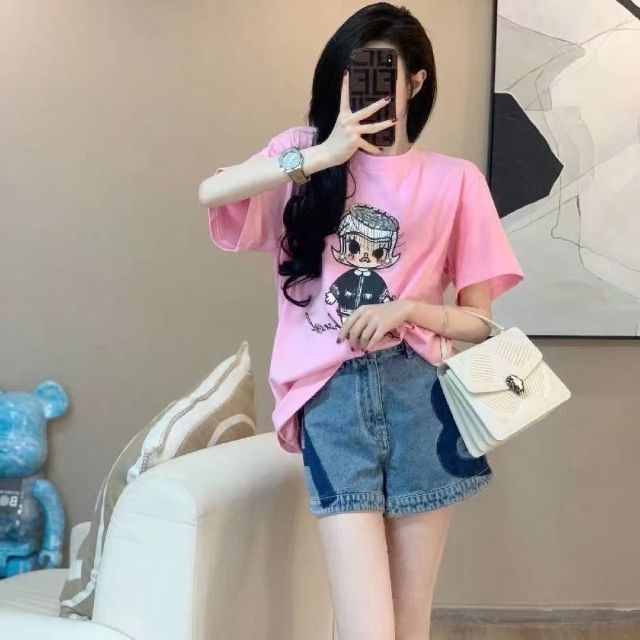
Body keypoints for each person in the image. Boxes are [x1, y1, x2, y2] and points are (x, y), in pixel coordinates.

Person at [198, 3, 524, 638]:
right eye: (350, 70)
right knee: (366, 626)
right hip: (332, 403)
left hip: (421, 398)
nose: (361, 85)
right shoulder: (302, 157)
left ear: (416, 82)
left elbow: (480, 325)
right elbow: (211, 193)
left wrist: (408, 309)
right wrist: (322, 155)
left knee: (410, 621)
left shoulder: (456, 181)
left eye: (379, 70)